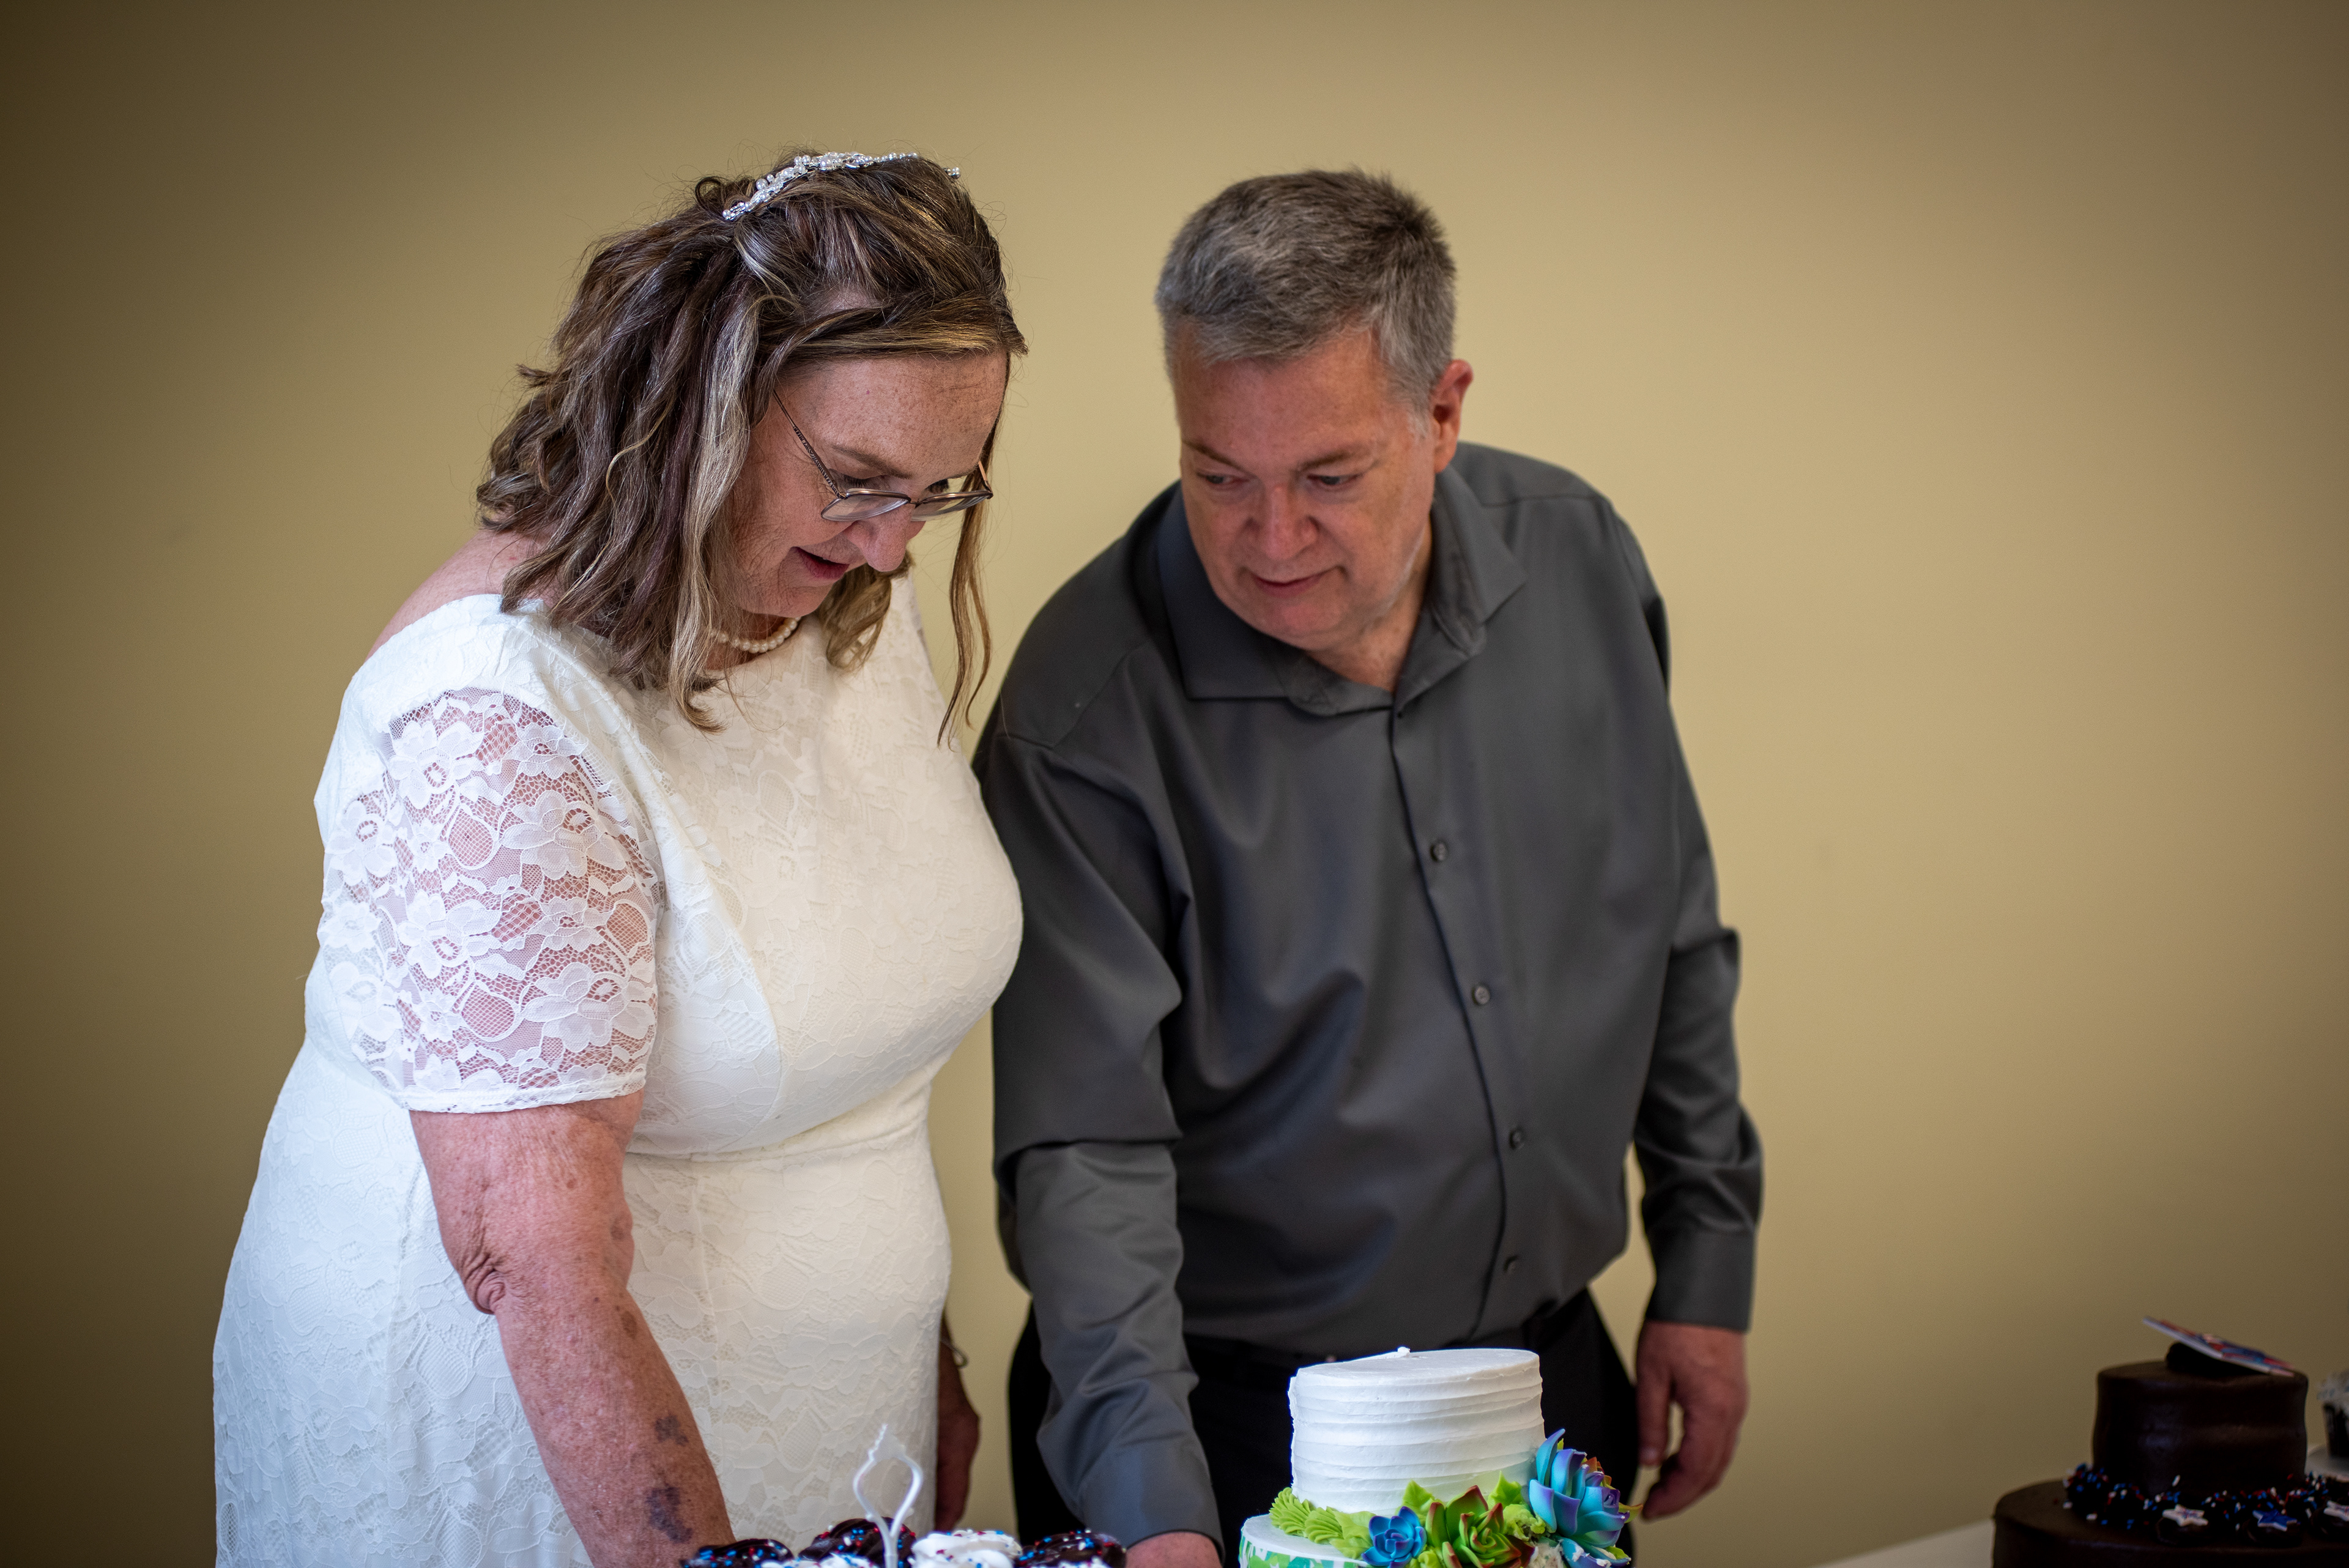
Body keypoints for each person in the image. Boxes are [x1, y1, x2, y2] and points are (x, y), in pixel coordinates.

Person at [214, 150, 1025, 1568]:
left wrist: (926, 1354)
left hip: (817, 1413)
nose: (896, 543)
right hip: (542, 1446)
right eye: (856, 480)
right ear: (700, 403)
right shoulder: (500, 705)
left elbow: (852, 1012)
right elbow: (537, 1259)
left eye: (940, 492)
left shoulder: (837, 596)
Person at [976, 171, 1763, 1568]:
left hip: (1544, 1396)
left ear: (1442, 414)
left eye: (1329, 477)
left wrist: (1706, 1267)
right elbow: (1086, 1154)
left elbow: (1669, 930)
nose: (1271, 539)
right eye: (1219, 474)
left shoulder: (1581, 559)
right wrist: (1153, 1509)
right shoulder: (1082, 712)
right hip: (1229, 1427)